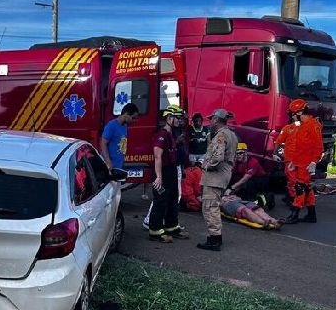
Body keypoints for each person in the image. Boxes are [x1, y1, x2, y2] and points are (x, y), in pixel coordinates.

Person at [276, 99, 323, 224]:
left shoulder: (313, 125)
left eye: (293, 113)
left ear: (301, 112)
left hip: (306, 164)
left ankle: (294, 214)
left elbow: (318, 146)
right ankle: (311, 215)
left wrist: (314, 162)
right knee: (307, 188)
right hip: (299, 162)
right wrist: (293, 161)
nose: (292, 116)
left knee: (300, 187)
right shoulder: (301, 125)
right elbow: (299, 146)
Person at [197, 109, 238, 251]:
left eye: (211, 119)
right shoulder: (231, 134)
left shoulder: (221, 136)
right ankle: (215, 237)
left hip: (215, 177)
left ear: (216, 119)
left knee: (210, 207)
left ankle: (214, 239)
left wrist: (206, 166)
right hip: (224, 175)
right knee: (213, 205)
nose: (209, 122)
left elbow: (218, 156)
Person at [148, 106, 190, 242]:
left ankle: (171, 226)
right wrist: (159, 177)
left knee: (173, 198)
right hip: (162, 171)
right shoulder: (162, 135)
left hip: (171, 170)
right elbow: (157, 156)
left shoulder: (171, 134)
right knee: (160, 201)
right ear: (169, 118)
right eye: (177, 117)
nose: (179, 120)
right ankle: (155, 230)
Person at [99, 102, 139, 171]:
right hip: (110, 167)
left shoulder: (124, 126)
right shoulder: (111, 125)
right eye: (133, 118)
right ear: (126, 114)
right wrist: (108, 162)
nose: (134, 120)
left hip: (119, 166)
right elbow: (103, 143)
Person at [229, 142, 270, 207]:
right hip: (250, 179)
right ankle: (244, 197)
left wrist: (233, 187)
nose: (238, 155)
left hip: (261, 180)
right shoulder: (237, 162)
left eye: (240, 153)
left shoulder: (253, 161)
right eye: (236, 153)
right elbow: (231, 173)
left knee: (249, 183)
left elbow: (246, 178)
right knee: (235, 179)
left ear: (246, 153)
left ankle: (255, 201)